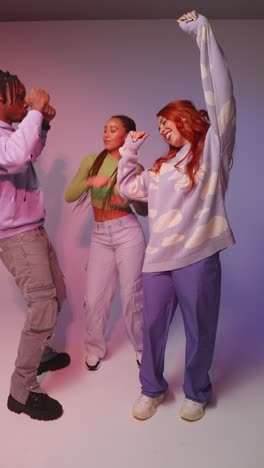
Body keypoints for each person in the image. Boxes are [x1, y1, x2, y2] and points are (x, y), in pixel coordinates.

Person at [117, 11, 236, 421]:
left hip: (198, 257)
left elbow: (221, 93)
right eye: (159, 125)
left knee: (200, 331)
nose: (163, 129)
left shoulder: (212, 155)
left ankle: (197, 392)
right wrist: (128, 153)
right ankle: (151, 388)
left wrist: (202, 34)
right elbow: (128, 190)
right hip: (158, 260)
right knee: (151, 329)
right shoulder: (160, 169)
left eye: (168, 122)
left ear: (187, 120)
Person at [0, 71, 70, 421]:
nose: (26, 103)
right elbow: (12, 159)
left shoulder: (11, 133)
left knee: (57, 295)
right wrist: (36, 113)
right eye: (19, 97)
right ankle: (21, 389)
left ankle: (39, 353)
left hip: (33, 229)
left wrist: (40, 125)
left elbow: (26, 154)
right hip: (16, 237)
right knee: (43, 306)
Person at [64, 115, 147, 371]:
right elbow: (70, 195)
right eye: (105, 129)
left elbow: (144, 211)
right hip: (100, 234)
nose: (106, 134)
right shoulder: (93, 160)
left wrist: (131, 197)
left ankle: (143, 347)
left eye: (113, 130)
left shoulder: (135, 167)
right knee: (94, 298)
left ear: (127, 136)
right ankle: (94, 347)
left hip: (127, 233)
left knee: (132, 295)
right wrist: (90, 181)